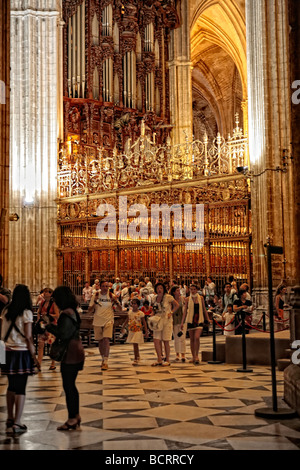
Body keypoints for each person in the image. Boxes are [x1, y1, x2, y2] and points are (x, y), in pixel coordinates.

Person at [0, 284, 40, 434]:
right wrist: (34, 356)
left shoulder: (6, 310)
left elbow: (1, 334)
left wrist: (0, 356)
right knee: (21, 388)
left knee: (11, 386)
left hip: (6, 351)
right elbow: (29, 336)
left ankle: (10, 417)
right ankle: (17, 422)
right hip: (21, 351)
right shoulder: (26, 312)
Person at [46, 286, 85, 431]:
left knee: (68, 385)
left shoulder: (66, 313)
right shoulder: (73, 311)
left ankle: (72, 418)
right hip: (76, 348)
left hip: (71, 352)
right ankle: (75, 415)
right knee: (71, 385)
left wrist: (49, 327)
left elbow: (63, 334)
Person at [88, 279, 123, 370]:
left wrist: (115, 301)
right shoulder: (95, 295)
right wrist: (95, 302)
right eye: (103, 286)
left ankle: (106, 361)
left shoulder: (112, 296)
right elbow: (89, 310)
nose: (105, 288)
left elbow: (120, 309)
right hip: (98, 319)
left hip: (109, 319)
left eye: (106, 286)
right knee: (100, 341)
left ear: (109, 287)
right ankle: (103, 358)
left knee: (106, 339)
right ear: (100, 287)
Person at [181, 284, 211, 365]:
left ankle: (197, 355)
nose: (193, 291)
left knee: (197, 337)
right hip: (190, 320)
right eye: (191, 289)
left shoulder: (200, 298)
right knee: (192, 339)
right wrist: (182, 322)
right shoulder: (187, 299)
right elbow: (185, 312)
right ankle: (193, 356)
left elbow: (204, 309)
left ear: (197, 290)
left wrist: (207, 318)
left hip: (199, 319)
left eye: (194, 289)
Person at [150, 282, 179, 367]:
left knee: (166, 340)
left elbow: (176, 305)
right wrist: (152, 314)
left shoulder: (168, 297)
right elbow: (154, 308)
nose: (159, 290)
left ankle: (167, 359)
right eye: (158, 288)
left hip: (166, 320)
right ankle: (159, 358)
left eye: (161, 288)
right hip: (157, 320)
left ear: (163, 289)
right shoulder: (154, 298)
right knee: (156, 340)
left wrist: (171, 312)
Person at [36, 288, 59, 371]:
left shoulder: (54, 304)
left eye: (47, 292)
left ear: (51, 294)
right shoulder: (42, 303)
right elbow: (39, 312)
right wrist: (39, 319)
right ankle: (39, 363)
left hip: (52, 326)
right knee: (40, 345)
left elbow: (57, 315)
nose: (45, 294)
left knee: (52, 345)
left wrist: (49, 314)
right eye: (44, 292)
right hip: (43, 326)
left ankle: (53, 363)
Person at [121, 298, 148, 365]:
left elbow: (144, 322)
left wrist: (146, 331)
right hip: (132, 330)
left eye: (135, 304)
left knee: (135, 344)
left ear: (138, 305)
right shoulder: (130, 312)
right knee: (134, 344)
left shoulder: (140, 313)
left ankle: (136, 358)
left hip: (138, 330)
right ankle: (137, 356)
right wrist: (123, 327)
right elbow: (127, 320)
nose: (133, 305)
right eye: (132, 303)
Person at [170, 285, 187, 363]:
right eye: (177, 290)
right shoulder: (171, 300)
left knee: (182, 337)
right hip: (174, 320)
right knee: (176, 337)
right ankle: (177, 353)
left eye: (179, 290)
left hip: (182, 320)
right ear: (174, 292)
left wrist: (183, 321)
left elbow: (185, 310)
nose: (178, 292)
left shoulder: (183, 299)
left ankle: (183, 354)